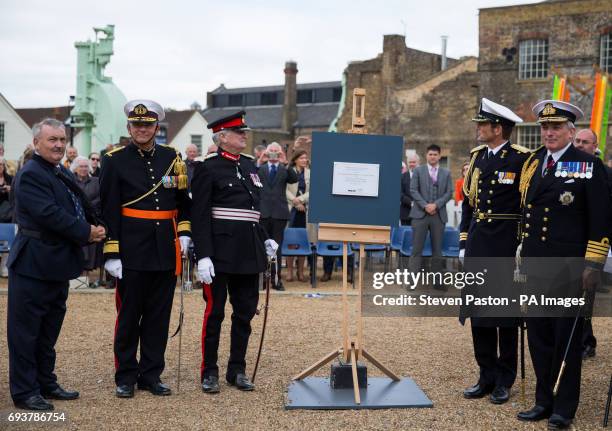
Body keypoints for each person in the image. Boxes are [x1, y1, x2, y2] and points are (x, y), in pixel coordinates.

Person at [516, 100, 610, 429]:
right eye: (544, 127)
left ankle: (564, 407)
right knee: (538, 335)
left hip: (569, 267)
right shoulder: (533, 163)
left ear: (571, 131)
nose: (549, 132)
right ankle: (543, 400)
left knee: (564, 338)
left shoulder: (587, 165)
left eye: (556, 127)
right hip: (535, 265)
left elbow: (600, 220)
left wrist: (593, 265)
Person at [7, 118, 106, 410]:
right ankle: (25, 392)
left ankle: (45, 382)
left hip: (57, 262)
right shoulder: (31, 174)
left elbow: (78, 204)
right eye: (52, 140)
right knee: (26, 332)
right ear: (36, 142)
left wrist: (96, 222)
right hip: (33, 262)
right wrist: (86, 232)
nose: (59, 145)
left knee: (49, 329)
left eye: (62, 140)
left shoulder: (59, 171)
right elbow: (49, 214)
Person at [100, 100, 192, 399]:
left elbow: (183, 203)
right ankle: (125, 375)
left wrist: (185, 234)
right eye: (136, 125)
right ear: (129, 128)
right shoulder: (114, 160)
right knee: (129, 316)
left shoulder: (172, 157)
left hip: (164, 247)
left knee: (158, 316)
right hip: (131, 249)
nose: (142, 129)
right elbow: (109, 208)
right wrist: (112, 251)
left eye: (147, 125)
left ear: (156, 128)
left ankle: (151, 375)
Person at [191, 110, 278, 394]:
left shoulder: (251, 167)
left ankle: (237, 369)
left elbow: (253, 210)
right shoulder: (208, 168)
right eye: (239, 132)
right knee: (214, 313)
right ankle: (209, 372)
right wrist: (202, 254)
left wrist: (265, 238)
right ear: (222, 137)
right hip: (219, 252)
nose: (244, 136)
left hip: (249, 250)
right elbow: (200, 214)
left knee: (244, 314)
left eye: (243, 132)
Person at [459, 98, 529, 405]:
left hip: (505, 245)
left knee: (504, 315)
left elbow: (529, 206)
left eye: (482, 125)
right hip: (478, 242)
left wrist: (523, 246)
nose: (478, 129)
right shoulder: (477, 158)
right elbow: (468, 204)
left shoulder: (521, 159)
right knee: (480, 313)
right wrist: (464, 242)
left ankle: (504, 378)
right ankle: (485, 374)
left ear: (498, 129)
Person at [572, 127, 612, 359]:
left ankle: (586, 340)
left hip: (592, 245)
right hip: (566, 244)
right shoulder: (562, 169)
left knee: (586, 297)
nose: (579, 145)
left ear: (595, 147)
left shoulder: (606, 174)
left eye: (585, 142)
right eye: (577, 140)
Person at [257, 141, 298, 290]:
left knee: (277, 248)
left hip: (279, 214)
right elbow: (250, 178)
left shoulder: (283, 169)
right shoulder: (260, 168)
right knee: (262, 247)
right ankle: (261, 279)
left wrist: (286, 162)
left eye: (276, 151)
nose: (273, 153)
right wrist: (260, 160)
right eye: (271, 151)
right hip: (263, 213)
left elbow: (294, 179)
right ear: (267, 153)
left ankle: (276, 280)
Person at [408, 144, 452, 274]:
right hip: (420, 215)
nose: (432, 157)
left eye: (435, 154)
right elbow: (413, 190)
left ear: (439, 156)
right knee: (416, 250)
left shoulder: (446, 173)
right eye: (430, 154)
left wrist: (436, 205)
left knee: (437, 251)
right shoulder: (418, 170)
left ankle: (437, 282)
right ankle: (412, 281)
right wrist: (425, 205)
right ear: (426, 156)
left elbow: (449, 192)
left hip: (438, 216)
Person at [72, 156, 103, 286]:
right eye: (81, 166)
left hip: (91, 220)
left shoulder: (96, 181)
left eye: (86, 166)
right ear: (75, 168)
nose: (84, 169)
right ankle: (76, 279)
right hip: (75, 220)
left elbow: (101, 198)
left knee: (91, 250)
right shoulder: (70, 181)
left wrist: (87, 206)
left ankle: (88, 279)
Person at [285, 150, 310, 282]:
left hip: (304, 210)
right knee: (290, 241)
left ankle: (300, 272)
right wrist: (295, 201)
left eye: (306, 158)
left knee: (302, 241)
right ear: (295, 160)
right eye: (301, 158)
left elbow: (313, 191)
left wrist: (300, 200)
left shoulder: (310, 173)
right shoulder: (289, 171)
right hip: (292, 210)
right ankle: (289, 272)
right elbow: (284, 189)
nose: (304, 160)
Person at [400, 161, 412, 225]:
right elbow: (400, 194)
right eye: (410, 162)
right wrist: (411, 203)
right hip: (406, 214)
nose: (412, 164)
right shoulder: (402, 177)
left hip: (421, 214)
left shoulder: (424, 176)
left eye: (414, 162)